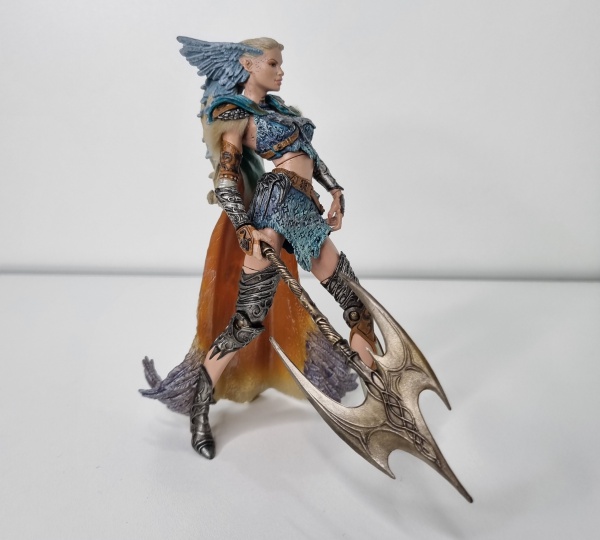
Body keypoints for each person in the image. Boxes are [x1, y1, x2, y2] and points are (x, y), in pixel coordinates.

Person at [141, 37, 378, 460]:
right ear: (248, 65)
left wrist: (336, 189)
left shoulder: (280, 109)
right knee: (248, 322)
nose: (280, 71)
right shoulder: (233, 113)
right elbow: (226, 177)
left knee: (356, 302)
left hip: (303, 207)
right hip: (273, 206)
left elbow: (308, 152)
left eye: (280, 64)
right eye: (273, 63)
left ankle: (377, 396)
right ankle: (199, 407)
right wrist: (244, 225)